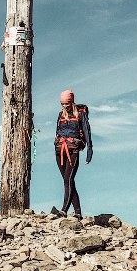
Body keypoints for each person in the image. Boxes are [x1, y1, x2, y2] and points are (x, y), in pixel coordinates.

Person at [53, 89, 93, 219]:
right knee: (68, 181)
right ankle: (78, 212)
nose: (65, 106)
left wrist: (89, 151)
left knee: (68, 180)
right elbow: (57, 131)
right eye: (62, 104)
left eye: (67, 103)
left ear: (72, 102)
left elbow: (87, 133)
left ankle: (63, 210)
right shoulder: (60, 115)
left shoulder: (80, 115)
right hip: (60, 150)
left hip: (73, 151)